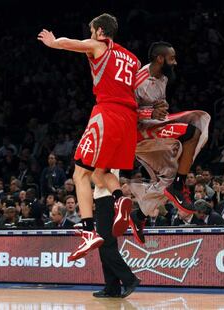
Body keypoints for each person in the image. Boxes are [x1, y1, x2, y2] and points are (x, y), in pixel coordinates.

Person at [38, 13, 140, 260]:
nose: (90, 34)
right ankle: (120, 199)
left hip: (107, 113)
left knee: (79, 173)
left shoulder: (99, 45)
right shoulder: (133, 59)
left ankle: (88, 231)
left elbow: (72, 43)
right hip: (129, 120)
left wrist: (54, 42)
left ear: (100, 31)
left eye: (92, 30)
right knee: (99, 173)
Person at [128, 41, 211, 243]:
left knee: (168, 175)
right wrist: (151, 111)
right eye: (172, 58)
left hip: (154, 128)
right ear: (160, 58)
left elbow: (157, 106)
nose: (175, 62)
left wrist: (160, 107)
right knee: (192, 132)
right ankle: (180, 185)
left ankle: (139, 216)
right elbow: (125, 112)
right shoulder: (138, 80)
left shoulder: (163, 77)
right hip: (137, 135)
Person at [93, 171, 140, 298]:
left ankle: (129, 279)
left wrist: (88, 175)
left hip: (106, 200)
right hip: (105, 200)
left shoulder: (103, 159)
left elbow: (100, 182)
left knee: (106, 245)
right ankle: (112, 287)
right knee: (105, 246)